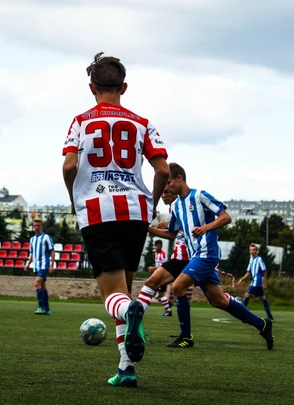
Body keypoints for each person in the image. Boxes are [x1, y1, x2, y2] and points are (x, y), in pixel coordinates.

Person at [62, 52, 169, 388]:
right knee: (124, 287)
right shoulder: (143, 123)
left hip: (98, 209)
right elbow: (163, 169)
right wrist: (150, 203)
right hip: (135, 210)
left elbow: (68, 166)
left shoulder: (81, 121)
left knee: (113, 294)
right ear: (124, 86)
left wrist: (72, 197)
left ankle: (130, 313)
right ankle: (126, 369)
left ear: (91, 87)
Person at [148, 163, 274, 350]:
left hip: (207, 255)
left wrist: (205, 228)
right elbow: (172, 234)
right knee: (219, 301)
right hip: (195, 257)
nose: (166, 188)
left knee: (178, 287)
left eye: (168, 182)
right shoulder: (176, 206)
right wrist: (147, 229)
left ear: (179, 178)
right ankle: (262, 325)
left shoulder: (200, 196)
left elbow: (226, 217)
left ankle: (186, 336)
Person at [137, 188, 195, 348]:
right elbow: (174, 233)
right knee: (151, 283)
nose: (163, 195)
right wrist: (164, 227)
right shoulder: (174, 207)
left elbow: (182, 229)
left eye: (167, 191)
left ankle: (260, 324)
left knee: (218, 300)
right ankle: (133, 323)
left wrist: (151, 229)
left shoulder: (182, 204)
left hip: (190, 258)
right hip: (178, 259)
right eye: (162, 192)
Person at [24, 218, 55, 315]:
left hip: (44, 265)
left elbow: (52, 251)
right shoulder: (32, 239)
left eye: (38, 225)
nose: (36, 227)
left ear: (41, 226)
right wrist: (28, 264)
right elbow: (32, 253)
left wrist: (51, 265)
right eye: (35, 226)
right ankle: (47, 309)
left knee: (37, 283)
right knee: (43, 286)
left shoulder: (46, 237)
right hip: (36, 266)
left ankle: (41, 307)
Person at [237, 244, 274, 320]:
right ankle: (270, 316)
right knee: (263, 298)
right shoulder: (251, 260)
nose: (252, 251)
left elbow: (264, 271)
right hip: (254, 281)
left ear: (257, 251)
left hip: (258, 282)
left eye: (253, 250)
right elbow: (248, 272)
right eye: (250, 250)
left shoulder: (259, 259)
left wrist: (264, 283)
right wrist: (242, 279)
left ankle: (241, 313)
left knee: (247, 295)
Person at [147, 239, 172, 316]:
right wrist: (153, 270)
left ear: (160, 246)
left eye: (157, 245)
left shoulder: (163, 254)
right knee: (153, 293)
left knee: (161, 295)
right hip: (158, 276)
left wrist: (153, 268)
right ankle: (167, 304)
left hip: (162, 277)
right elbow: (158, 266)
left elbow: (163, 267)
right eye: (155, 245)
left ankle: (168, 311)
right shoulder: (156, 254)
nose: (156, 247)